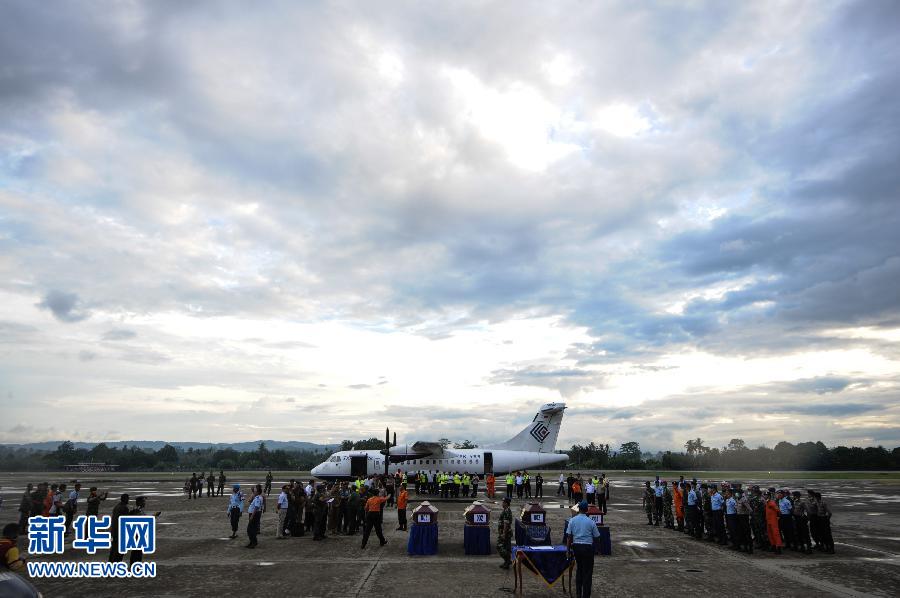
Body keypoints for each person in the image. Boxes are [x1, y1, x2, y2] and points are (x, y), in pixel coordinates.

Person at [567, 501, 601, 598]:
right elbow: (597, 537)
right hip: (587, 548)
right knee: (587, 573)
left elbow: (569, 537)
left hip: (576, 547)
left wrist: (568, 550)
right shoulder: (591, 522)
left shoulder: (572, 520)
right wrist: (597, 548)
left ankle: (578, 593)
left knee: (579, 570)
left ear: (578, 509)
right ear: (586, 510)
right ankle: (586, 595)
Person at [108, 494, 130, 562]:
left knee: (113, 549)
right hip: (120, 532)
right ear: (125, 499)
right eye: (127, 499)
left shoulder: (117, 506)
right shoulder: (124, 508)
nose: (128, 500)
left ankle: (111, 563)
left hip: (114, 531)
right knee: (119, 551)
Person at [497, 497, 513, 569]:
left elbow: (506, 524)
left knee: (499, 546)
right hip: (504, 532)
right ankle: (506, 562)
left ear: (506, 503)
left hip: (506, 533)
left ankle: (508, 560)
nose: (502, 504)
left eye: (503, 502)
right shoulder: (505, 510)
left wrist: (503, 533)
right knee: (506, 547)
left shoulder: (507, 511)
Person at [765, 489, 783, 554]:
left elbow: (778, 510)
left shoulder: (771, 502)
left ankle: (778, 548)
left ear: (769, 496)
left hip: (773, 521)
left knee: (776, 534)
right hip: (768, 520)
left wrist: (778, 517)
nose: (765, 496)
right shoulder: (767, 502)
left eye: (766, 495)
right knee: (770, 534)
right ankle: (773, 546)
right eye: (765, 495)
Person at [246, 484, 263, 548]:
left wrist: (252, 516)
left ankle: (253, 542)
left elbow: (256, 507)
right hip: (254, 514)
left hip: (254, 514)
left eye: (255, 491)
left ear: (258, 492)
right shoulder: (257, 497)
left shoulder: (258, 498)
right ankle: (252, 542)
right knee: (251, 529)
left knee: (250, 529)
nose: (254, 492)